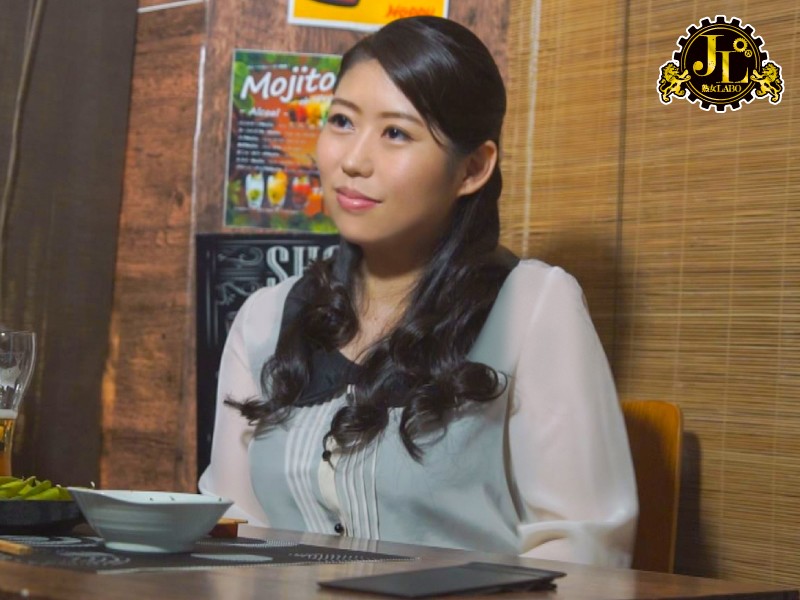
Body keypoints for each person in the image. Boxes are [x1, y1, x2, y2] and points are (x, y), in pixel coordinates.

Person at [199, 15, 637, 567]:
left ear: (472, 169)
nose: (353, 161)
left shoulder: (533, 308)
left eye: (396, 133)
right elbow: (232, 526)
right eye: (341, 121)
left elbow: (583, 549)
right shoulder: (265, 318)